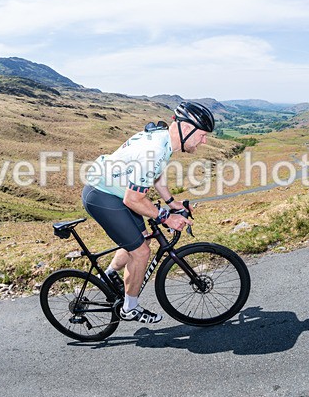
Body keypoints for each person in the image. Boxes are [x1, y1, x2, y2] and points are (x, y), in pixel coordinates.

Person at [82, 101, 215, 323]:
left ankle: (108, 277)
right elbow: (133, 199)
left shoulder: (164, 140)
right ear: (185, 128)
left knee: (143, 239)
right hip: (102, 195)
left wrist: (172, 203)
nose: (204, 140)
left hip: (114, 190)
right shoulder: (153, 151)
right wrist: (167, 217)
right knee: (141, 252)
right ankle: (130, 308)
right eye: (202, 135)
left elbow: (157, 176)